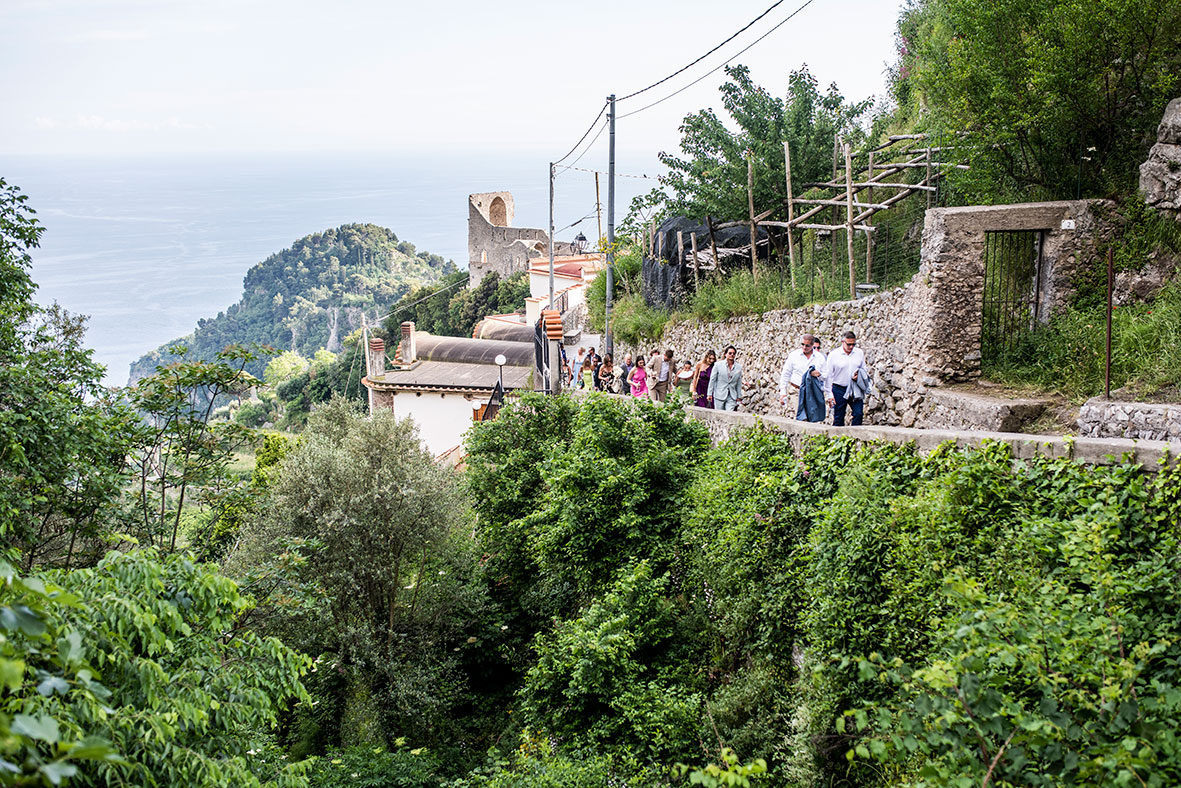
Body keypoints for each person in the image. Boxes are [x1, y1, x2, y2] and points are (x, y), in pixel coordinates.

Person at [825, 331, 871, 426]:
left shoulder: (859, 353)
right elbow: (828, 375)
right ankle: (837, 438)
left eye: (853, 344)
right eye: (849, 344)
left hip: (855, 387)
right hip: (839, 388)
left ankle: (855, 436)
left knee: (858, 413)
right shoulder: (833, 355)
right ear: (843, 342)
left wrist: (859, 376)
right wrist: (829, 394)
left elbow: (863, 368)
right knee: (839, 416)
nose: (851, 347)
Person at [778, 334, 827, 422]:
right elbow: (786, 373)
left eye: (807, 345)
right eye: (802, 344)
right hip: (797, 390)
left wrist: (819, 374)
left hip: (812, 391)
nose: (804, 347)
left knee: (813, 418)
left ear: (812, 345)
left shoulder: (820, 358)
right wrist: (783, 392)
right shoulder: (794, 355)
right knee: (801, 417)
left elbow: (826, 375)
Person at [707, 345, 744, 411]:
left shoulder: (739, 367)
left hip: (732, 396)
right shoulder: (718, 365)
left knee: (729, 413)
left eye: (733, 353)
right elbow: (712, 380)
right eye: (730, 353)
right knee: (719, 415)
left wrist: (739, 396)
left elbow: (738, 382)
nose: (732, 355)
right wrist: (709, 394)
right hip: (719, 394)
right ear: (725, 354)